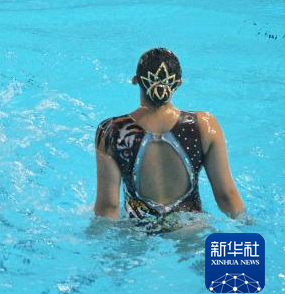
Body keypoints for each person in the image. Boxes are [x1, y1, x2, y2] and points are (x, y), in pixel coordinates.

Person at [93, 47, 245, 222]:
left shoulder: (112, 130)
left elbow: (108, 206)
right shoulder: (205, 125)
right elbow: (227, 196)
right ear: (178, 83)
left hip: (138, 232)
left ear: (136, 81)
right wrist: (247, 225)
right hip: (190, 230)